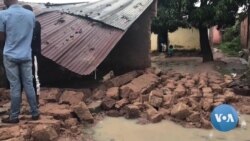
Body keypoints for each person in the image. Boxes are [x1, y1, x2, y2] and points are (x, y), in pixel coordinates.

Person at [0, 0, 39, 123]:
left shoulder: (3, 14)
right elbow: (30, 32)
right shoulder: (30, 15)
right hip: (26, 54)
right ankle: (35, 112)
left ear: (6, 1)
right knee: (28, 84)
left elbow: (1, 37)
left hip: (10, 54)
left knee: (15, 86)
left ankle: (14, 116)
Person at [22, 4, 41, 105]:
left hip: (32, 54)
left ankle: (36, 99)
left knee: (34, 76)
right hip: (25, 54)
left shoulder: (35, 24)